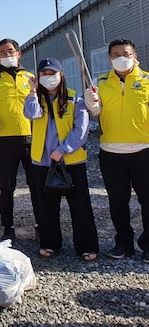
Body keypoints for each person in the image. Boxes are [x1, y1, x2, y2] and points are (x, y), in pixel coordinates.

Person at [24, 58, 99, 261]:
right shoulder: (35, 99)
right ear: (38, 78)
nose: (49, 78)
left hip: (72, 160)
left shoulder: (76, 100)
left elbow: (81, 130)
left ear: (61, 75)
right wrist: (32, 91)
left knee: (80, 204)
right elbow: (30, 114)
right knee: (46, 206)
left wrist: (63, 149)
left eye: (52, 73)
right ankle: (50, 244)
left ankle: (86, 245)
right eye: (44, 74)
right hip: (42, 161)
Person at [84, 38, 149, 262]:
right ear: (110, 58)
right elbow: (94, 113)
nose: (121, 58)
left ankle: (148, 245)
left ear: (135, 55)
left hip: (143, 151)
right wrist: (92, 103)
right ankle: (123, 243)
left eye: (126, 53)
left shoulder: (148, 80)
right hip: (111, 153)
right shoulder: (100, 82)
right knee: (117, 202)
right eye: (115, 54)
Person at [0, 38, 41, 242]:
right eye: (3, 52)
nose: (7, 55)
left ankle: (40, 224)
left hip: (31, 138)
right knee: (7, 186)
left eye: (10, 51)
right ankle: (8, 226)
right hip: (5, 140)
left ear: (19, 53)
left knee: (36, 185)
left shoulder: (31, 78)